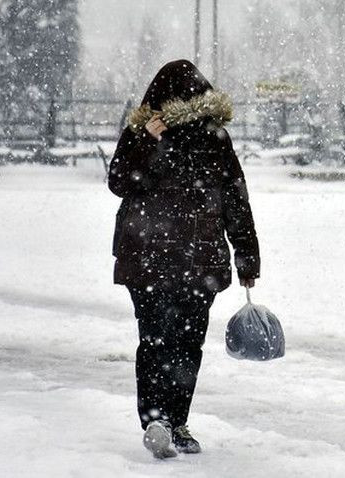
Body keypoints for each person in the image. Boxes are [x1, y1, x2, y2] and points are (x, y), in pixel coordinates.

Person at [108, 59, 260, 459]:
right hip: (172, 258)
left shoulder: (211, 137)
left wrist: (246, 253)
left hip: (171, 257)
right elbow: (120, 183)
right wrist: (245, 253)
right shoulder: (148, 133)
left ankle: (167, 419)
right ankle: (166, 420)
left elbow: (231, 196)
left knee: (165, 341)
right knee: (180, 343)